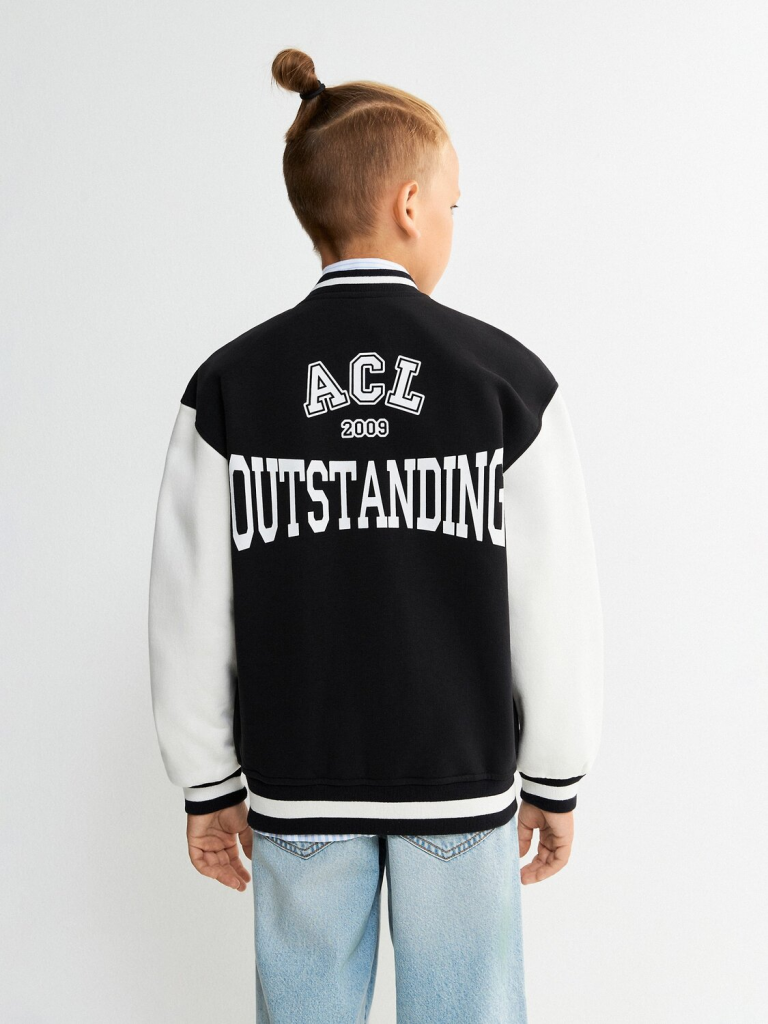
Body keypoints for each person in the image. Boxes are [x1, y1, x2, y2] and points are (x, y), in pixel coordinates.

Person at [148, 47, 604, 1024]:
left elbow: (188, 603)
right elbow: (555, 598)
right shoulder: (507, 383)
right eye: (453, 205)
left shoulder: (231, 387)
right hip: (459, 784)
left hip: (300, 783)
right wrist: (556, 774)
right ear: (409, 204)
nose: (452, 224)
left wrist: (206, 782)